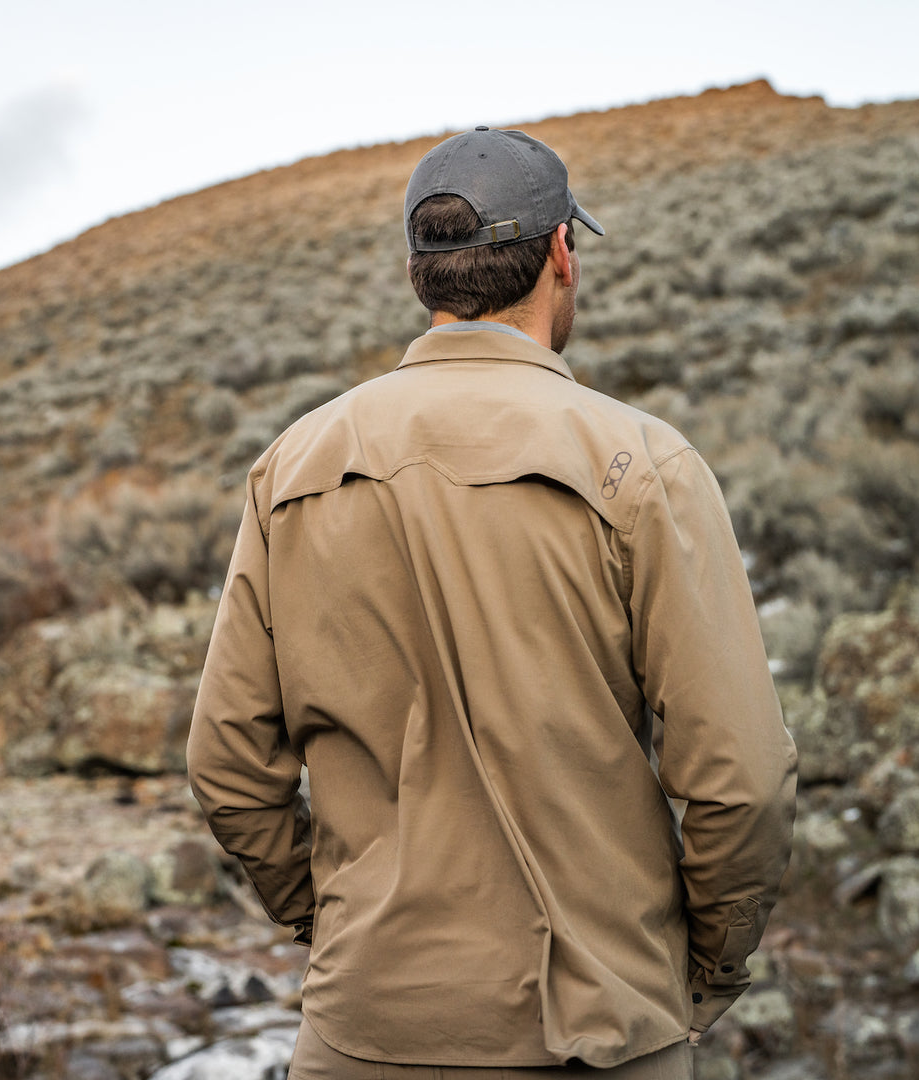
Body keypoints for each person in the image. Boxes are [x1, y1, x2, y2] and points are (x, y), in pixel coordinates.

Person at [187, 126, 798, 1079]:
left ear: (420, 272)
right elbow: (741, 781)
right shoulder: (645, 465)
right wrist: (705, 969)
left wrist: (335, 925)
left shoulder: (292, 467)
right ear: (562, 252)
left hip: (363, 1028)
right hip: (601, 1031)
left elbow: (227, 764)